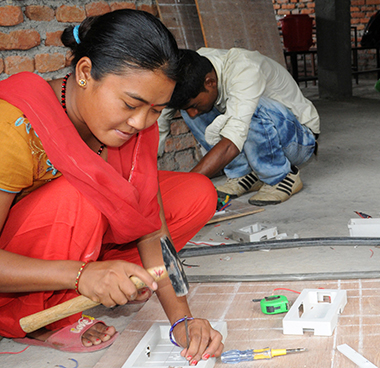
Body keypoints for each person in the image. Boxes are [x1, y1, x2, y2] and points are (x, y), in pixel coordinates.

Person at [0, 9, 223, 363]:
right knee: (81, 196)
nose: (139, 122)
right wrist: (81, 274)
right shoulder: (13, 126)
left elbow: (152, 231)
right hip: (15, 269)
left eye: (155, 110)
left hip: (80, 242)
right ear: (85, 73)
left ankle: (111, 279)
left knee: (196, 194)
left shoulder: (134, 130)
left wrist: (182, 318)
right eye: (130, 104)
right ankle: (44, 314)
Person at [157, 48, 320, 206]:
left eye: (195, 104)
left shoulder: (245, 70)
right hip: (260, 137)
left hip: (298, 140)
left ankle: (280, 176)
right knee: (193, 107)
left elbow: (231, 144)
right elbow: (159, 124)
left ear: (210, 82)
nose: (192, 114)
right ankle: (243, 174)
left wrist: (183, 187)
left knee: (252, 108)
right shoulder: (194, 69)